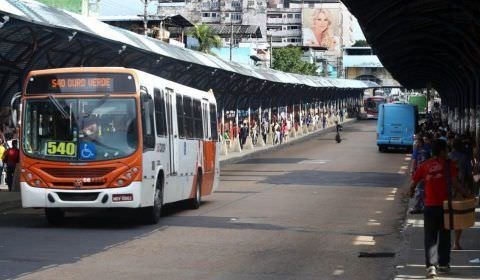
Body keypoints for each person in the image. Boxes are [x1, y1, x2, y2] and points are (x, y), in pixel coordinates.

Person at [410, 140, 470, 278]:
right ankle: (443, 264)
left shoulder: (425, 165)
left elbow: (414, 182)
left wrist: (411, 192)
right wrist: (468, 195)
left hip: (429, 207)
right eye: (446, 150)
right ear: (442, 151)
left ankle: (431, 267)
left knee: (430, 238)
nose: (448, 152)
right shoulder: (449, 165)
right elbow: (455, 184)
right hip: (445, 207)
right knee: (445, 236)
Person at [409, 136, 431, 214]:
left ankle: (418, 207)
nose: (416, 143)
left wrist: (412, 170)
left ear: (421, 142)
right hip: (426, 172)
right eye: (415, 142)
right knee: (423, 190)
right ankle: (424, 206)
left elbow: (414, 161)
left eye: (417, 142)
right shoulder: (428, 149)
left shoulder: (417, 150)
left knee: (419, 190)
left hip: (420, 172)